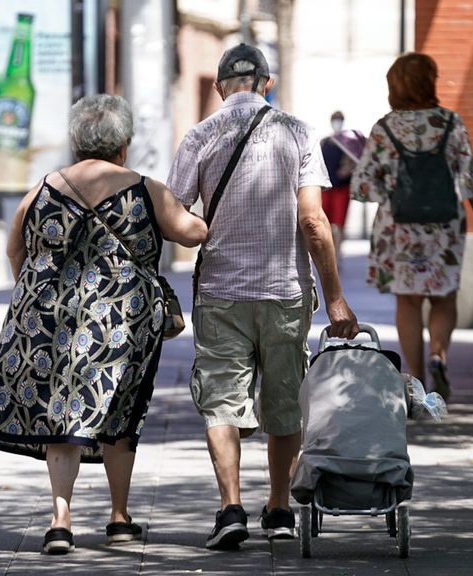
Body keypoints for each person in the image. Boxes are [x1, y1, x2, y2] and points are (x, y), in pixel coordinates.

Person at [0, 94, 207, 555]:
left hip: (51, 319)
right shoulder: (143, 188)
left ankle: (61, 521)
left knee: (62, 415)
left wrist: (36, 293)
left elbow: (15, 247)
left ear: (76, 142)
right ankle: (119, 517)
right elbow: (192, 232)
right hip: (122, 323)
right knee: (121, 412)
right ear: (123, 145)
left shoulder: (43, 187)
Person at [167, 43, 359, 551]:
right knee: (284, 403)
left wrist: (202, 232)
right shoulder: (298, 133)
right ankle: (278, 510)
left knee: (221, 404)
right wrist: (336, 298)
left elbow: (177, 216)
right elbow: (314, 221)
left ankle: (230, 507)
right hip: (284, 292)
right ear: (267, 84)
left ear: (219, 86)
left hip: (221, 293)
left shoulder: (199, 136)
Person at [351, 52, 473, 402]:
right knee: (444, 298)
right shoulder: (450, 123)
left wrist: (390, 191)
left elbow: (361, 186)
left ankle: (415, 380)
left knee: (409, 302)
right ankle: (438, 355)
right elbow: (471, 178)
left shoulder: (385, 129)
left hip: (399, 230)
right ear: (429, 82)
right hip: (444, 227)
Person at [319, 111, 366, 257]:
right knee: (324, 222)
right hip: (326, 188)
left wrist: (347, 169)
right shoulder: (325, 141)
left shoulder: (349, 142)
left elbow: (357, 160)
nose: (337, 122)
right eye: (335, 119)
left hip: (342, 188)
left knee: (339, 223)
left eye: (339, 120)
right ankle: (327, 252)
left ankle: (336, 254)